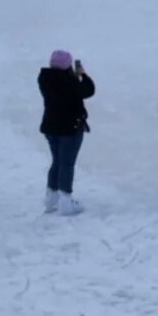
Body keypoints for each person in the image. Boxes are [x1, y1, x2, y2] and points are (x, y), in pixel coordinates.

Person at [39, 50, 96, 216]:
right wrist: (82, 75)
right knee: (67, 163)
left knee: (57, 161)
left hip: (51, 127)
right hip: (70, 128)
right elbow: (88, 90)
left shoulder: (44, 78)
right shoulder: (70, 82)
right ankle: (65, 201)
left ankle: (51, 199)